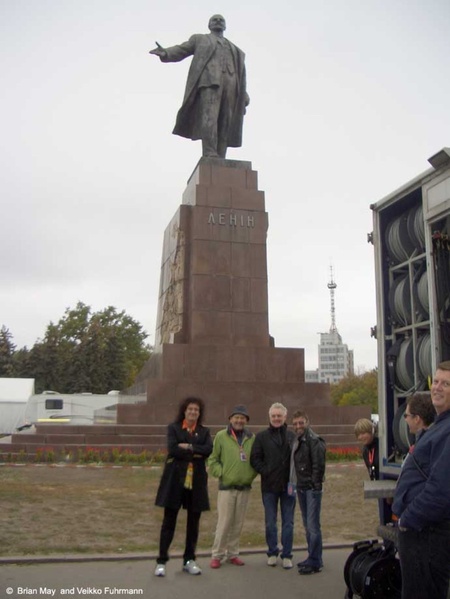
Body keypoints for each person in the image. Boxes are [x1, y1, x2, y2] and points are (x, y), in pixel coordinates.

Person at [149, 14, 249, 158]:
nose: (218, 21)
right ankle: (209, 152)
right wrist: (166, 53)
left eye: (221, 20)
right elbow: (182, 49)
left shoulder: (235, 49)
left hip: (231, 85)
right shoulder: (200, 39)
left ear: (225, 26)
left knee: (226, 122)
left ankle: (221, 156)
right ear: (209, 25)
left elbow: (241, 75)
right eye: (215, 19)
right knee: (210, 118)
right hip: (209, 82)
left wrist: (243, 94)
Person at [393, 361, 450, 599]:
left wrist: (408, 518)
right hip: (421, 535)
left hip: (426, 537)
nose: (437, 387)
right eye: (435, 381)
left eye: (446, 384)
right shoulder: (440, 425)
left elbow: (441, 491)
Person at [154, 397, 213, 577]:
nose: (193, 412)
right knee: (169, 521)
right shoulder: (174, 428)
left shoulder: (204, 431)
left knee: (193, 523)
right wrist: (195, 450)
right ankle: (161, 561)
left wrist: (187, 447)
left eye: (196, 410)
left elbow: (207, 450)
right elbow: (172, 448)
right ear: (184, 411)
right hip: (175, 481)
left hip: (195, 483)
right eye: (190, 409)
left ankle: (189, 560)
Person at [208, 404, 257, 568]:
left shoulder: (252, 438)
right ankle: (217, 554)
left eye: (242, 418)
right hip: (227, 488)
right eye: (236, 417)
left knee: (238, 523)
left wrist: (251, 475)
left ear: (246, 421)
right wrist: (221, 473)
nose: (239, 420)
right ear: (230, 419)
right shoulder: (221, 436)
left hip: (244, 487)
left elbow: (256, 461)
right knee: (224, 523)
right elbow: (212, 459)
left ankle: (233, 553)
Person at [250, 402, 296, 569]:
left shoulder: (292, 436)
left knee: (288, 522)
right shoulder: (261, 437)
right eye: (273, 416)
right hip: (269, 486)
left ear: (285, 417)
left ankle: (287, 554)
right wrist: (266, 471)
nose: (276, 418)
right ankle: (272, 552)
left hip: (289, 486)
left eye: (279, 416)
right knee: (270, 522)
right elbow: (255, 459)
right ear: (269, 418)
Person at [290, 410, 326, 575]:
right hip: (302, 487)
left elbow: (318, 466)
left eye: (301, 422)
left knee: (312, 526)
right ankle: (313, 557)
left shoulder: (313, 440)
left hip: (311, 488)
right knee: (307, 525)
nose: (298, 426)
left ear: (307, 422)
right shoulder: (297, 440)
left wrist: (315, 486)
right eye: (295, 423)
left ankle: (315, 561)